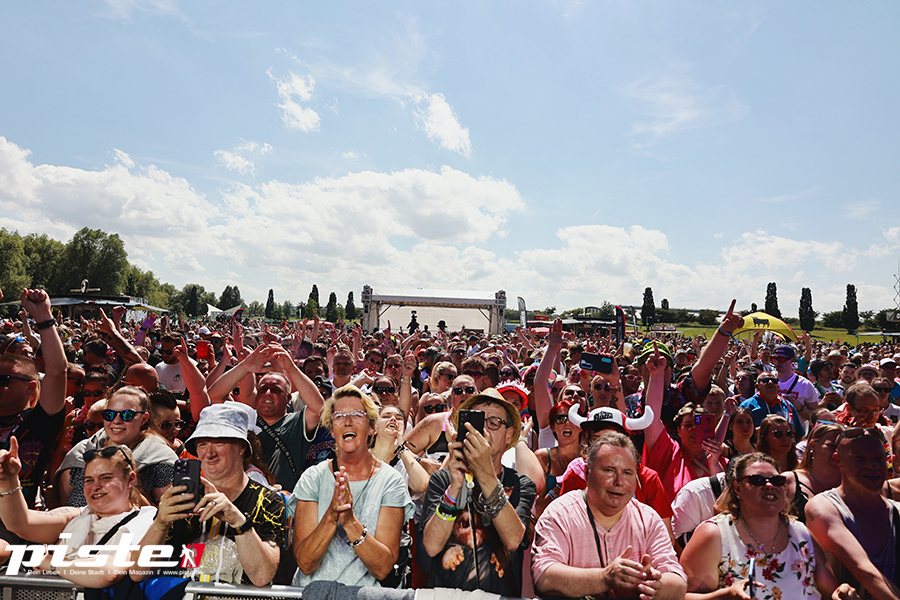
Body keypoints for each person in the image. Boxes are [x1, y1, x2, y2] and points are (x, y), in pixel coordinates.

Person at [132, 402, 286, 586]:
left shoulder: (268, 501)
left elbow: (262, 577)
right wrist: (160, 523)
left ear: (242, 448)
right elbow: (137, 573)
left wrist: (238, 522)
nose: (209, 453)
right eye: (202, 444)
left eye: (219, 442)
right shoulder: (182, 498)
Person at [532, 431, 687, 599]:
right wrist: (605, 578)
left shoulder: (649, 519)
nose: (619, 482)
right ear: (586, 472)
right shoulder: (560, 514)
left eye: (628, 473)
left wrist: (655, 585)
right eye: (609, 470)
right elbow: (544, 578)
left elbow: (678, 584)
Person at [680, 453, 849, 600]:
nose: (769, 485)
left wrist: (843, 592)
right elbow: (681, 596)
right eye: (757, 480)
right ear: (737, 488)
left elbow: (831, 592)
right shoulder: (714, 535)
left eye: (777, 480)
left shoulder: (801, 532)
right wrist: (724, 596)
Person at [292, 386, 414, 587]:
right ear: (332, 430)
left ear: (372, 427)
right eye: (339, 416)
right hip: (311, 593)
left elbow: (383, 569)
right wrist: (332, 516)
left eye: (357, 415)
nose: (347, 421)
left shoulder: (391, 481)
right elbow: (305, 564)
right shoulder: (313, 478)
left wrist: (350, 523)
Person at [0, 440, 159, 593]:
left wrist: (53, 563)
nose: (95, 487)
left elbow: (111, 571)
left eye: (106, 478)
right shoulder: (74, 515)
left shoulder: (145, 520)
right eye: (89, 480)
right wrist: (8, 481)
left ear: (130, 479)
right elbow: (20, 523)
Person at [420, 389, 536, 595]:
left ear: (508, 435)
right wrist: (455, 486)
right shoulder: (442, 480)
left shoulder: (520, 484)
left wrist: (486, 474)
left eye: (493, 422)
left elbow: (513, 540)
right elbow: (431, 546)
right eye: (476, 421)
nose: (483, 430)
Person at [208, 342, 327, 490]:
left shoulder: (296, 422)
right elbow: (215, 396)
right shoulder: (246, 418)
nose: (268, 393)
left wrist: (291, 368)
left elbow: (318, 408)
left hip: (285, 502)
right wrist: (245, 366)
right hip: (247, 502)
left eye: (275, 390)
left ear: (288, 398)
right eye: (263, 389)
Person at [806, 427, 900, 600]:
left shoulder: (897, 511)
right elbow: (864, 570)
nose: (872, 465)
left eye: (879, 458)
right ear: (837, 460)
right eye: (859, 458)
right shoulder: (823, 506)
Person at [57, 386, 178, 506]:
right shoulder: (81, 453)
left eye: (127, 415)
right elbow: (63, 509)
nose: (116, 421)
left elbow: (166, 516)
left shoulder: (160, 459)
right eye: (109, 414)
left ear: (144, 419)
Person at [783, 422, 842, 523]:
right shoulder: (788, 481)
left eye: (841, 447)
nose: (837, 452)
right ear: (813, 446)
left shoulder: (851, 484)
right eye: (831, 446)